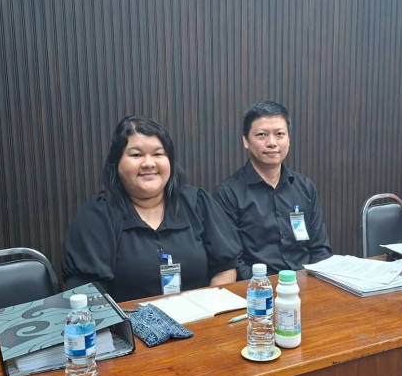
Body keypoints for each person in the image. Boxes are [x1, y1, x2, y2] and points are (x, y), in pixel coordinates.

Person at [63, 115, 240, 302]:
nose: (149, 163)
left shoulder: (197, 203)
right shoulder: (96, 217)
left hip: (201, 317)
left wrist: (209, 310)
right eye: (136, 155)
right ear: (116, 164)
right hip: (127, 320)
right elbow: (86, 295)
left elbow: (225, 267)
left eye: (158, 154)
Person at [213, 101, 332, 280]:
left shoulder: (305, 187)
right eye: (261, 135)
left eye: (279, 134)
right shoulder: (228, 194)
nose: (272, 143)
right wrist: (265, 286)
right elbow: (233, 262)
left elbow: (320, 248)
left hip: (306, 284)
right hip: (257, 288)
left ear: (288, 139)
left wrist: (314, 285)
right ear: (245, 140)